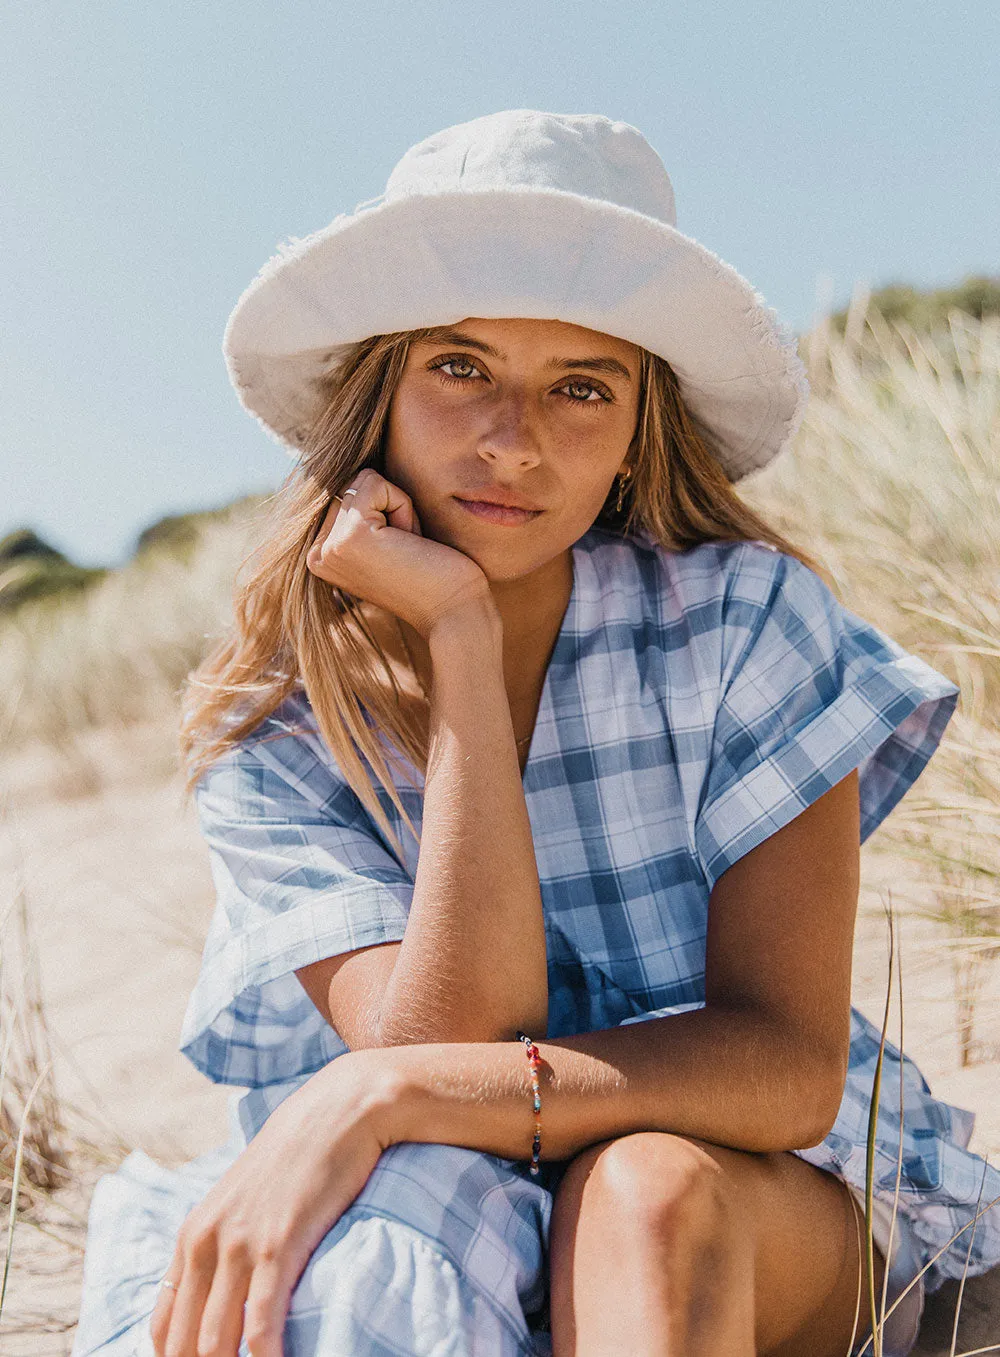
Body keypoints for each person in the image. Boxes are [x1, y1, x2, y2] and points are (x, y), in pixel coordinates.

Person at [70, 110, 1000, 1357]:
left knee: (642, 1189)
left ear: (633, 433)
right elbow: (452, 1026)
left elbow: (787, 1065)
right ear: (377, 398)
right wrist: (457, 640)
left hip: (752, 1193)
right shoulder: (276, 732)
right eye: (459, 367)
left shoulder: (740, 621)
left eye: (579, 386)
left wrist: (386, 1087)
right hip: (442, 1202)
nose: (511, 438)